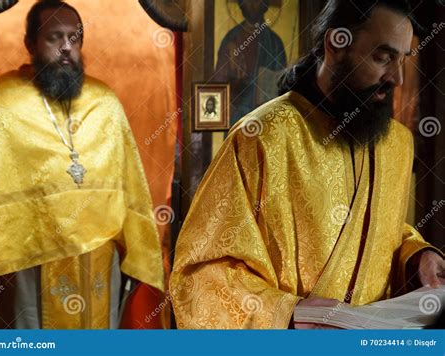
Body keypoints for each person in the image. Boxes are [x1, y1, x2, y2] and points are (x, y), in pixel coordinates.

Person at [170, 0, 444, 329]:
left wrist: (416, 256)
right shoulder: (262, 138)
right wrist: (287, 313)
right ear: (336, 45)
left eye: (404, 59)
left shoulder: (396, 143)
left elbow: (379, 234)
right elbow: (199, 277)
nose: (398, 78)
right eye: (383, 57)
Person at [0, 0, 164, 329]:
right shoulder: (3, 100)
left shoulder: (104, 102)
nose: (66, 47)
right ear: (30, 43)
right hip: (29, 259)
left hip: (98, 258)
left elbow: (129, 184)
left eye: (74, 38)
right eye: (54, 37)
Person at [214, 0, 286, 126]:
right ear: (241, 4)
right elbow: (218, 83)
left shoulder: (274, 42)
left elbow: (282, 85)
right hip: (236, 118)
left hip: (265, 117)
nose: (252, 4)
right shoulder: (231, 40)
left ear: (265, 4)